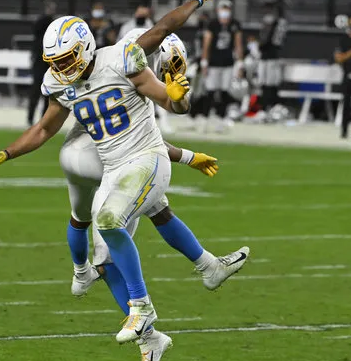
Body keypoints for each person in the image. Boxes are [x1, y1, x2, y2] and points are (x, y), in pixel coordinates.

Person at [0, 0, 242, 361]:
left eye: (66, 58)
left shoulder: (121, 57)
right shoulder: (60, 84)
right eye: (56, 61)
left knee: (106, 219)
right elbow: (45, 128)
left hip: (148, 159)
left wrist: (197, 1)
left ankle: (142, 308)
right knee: (103, 259)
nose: (62, 67)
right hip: (115, 168)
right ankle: (152, 338)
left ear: (83, 48)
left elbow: (164, 38)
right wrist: (7, 152)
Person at [60, 27, 246, 298]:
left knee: (154, 206)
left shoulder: (115, 66)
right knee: (110, 245)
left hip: (86, 155)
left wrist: (189, 156)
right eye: (167, 68)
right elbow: (144, 143)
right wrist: (188, 157)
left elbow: (145, 140)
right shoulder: (127, 73)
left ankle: (207, 266)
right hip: (99, 159)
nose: (165, 76)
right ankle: (141, 318)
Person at [201, 0, 244, 133]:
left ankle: (221, 119)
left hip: (227, 63)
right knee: (210, 91)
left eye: (227, 9)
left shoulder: (234, 24)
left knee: (225, 92)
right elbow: (206, 43)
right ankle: (204, 119)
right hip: (213, 62)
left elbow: (238, 44)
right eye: (223, 9)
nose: (225, 12)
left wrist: (240, 63)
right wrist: (204, 61)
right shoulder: (212, 24)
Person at [27, 0, 57, 126]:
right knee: (36, 91)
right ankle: (31, 118)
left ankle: (43, 119)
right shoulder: (45, 23)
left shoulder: (50, 23)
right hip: (40, 62)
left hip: (46, 63)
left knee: (47, 92)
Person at [257, 0, 287, 119]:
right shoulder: (273, 22)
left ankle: (270, 108)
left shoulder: (277, 23)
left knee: (270, 84)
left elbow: (271, 41)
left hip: (272, 57)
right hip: (267, 56)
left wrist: (261, 45)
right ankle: (267, 108)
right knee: (265, 83)